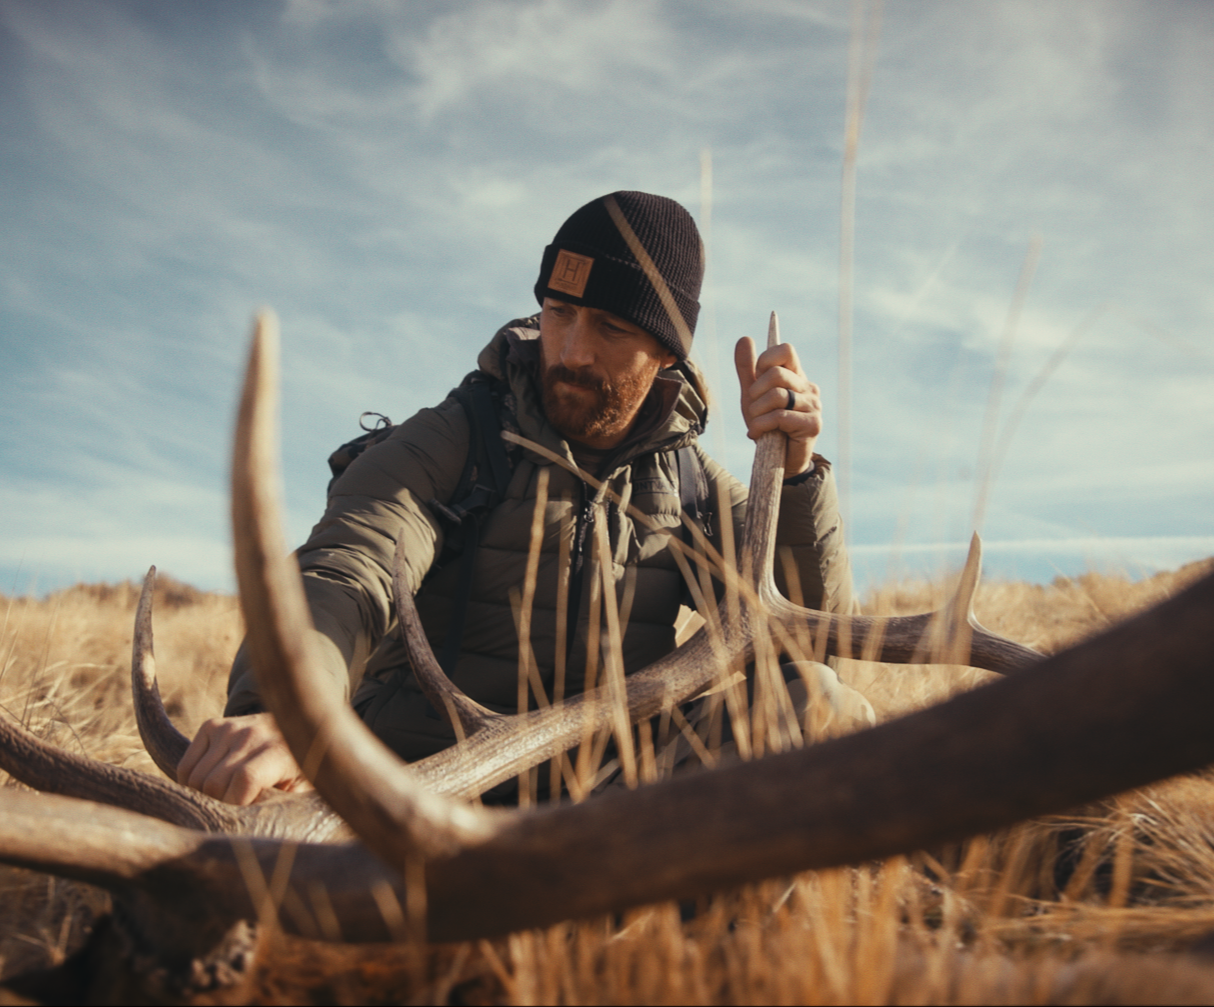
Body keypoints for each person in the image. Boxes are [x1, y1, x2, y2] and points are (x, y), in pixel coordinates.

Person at [180, 191, 860, 806]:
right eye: (560, 313)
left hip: (604, 799)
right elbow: (345, 572)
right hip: (419, 789)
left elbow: (803, 647)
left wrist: (795, 472)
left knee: (822, 707)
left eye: (611, 328)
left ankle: (661, 904)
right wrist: (288, 711)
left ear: (666, 353)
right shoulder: (453, 440)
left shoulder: (692, 487)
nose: (572, 351)